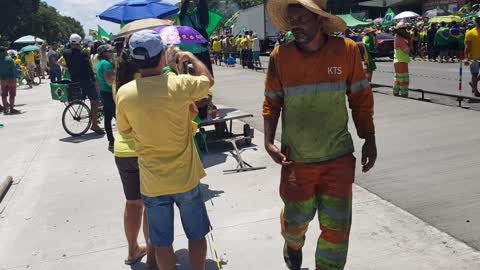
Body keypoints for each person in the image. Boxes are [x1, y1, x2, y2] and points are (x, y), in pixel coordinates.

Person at [264, 1, 377, 270]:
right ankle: (292, 243)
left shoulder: (346, 51)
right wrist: (268, 141)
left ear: (319, 20)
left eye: (302, 19)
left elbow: (360, 97)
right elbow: (272, 100)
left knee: (337, 231)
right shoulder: (280, 56)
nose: (295, 26)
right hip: (297, 161)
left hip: (337, 159)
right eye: (292, 20)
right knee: (295, 224)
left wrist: (369, 137)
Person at [116, 30, 214, 270]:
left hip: (153, 182)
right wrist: (190, 57)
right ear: (161, 56)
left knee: (161, 244)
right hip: (185, 179)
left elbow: (126, 131)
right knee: (197, 235)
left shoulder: (125, 94)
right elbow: (208, 81)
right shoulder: (179, 84)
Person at [113, 40, 156, 268]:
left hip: (122, 150)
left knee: (132, 203)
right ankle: (151, 253)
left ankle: (132, 251)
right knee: (150, 203)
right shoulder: (146, 83)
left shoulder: (118, 84)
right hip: (144, 149)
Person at [59, 34, 104, 134]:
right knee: (95, 100)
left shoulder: (65, 53)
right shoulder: (84, 53)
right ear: (80, 42)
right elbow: (88, 68)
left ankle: (93, 121)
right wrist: (94, 80)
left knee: (86, 97)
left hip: (74, 80)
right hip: (86, 80)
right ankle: (95, 125)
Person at [178, 0, 214, 75]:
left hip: (197, 50)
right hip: (193, 51)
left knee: (205, 76)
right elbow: (183, 11)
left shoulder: (198, 13)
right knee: (196, 77)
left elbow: (203, 6)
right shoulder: (182, 16)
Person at [96, 44, 116, 150]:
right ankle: (126, 139)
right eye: (110, 51)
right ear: (104, 53)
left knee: (108, 117)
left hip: (103, 93)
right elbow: (109, 81)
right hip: (109, 93)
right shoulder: (107, 64)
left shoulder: (100, 64)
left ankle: (111, 141)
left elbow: (98, 81)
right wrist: (116, 77)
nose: (112, 53)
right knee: (118, 116)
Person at [0, 47, 20, 114]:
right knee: (12, 94)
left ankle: (5, 109)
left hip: (2, 79)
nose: (7, 52)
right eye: (6, 51)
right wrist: (18, 77)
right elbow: (14, 69)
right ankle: (11, 109)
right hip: (11, 78)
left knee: (3, 94)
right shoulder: (9, 59)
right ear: (4, 51)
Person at [393, 22, 411, 97]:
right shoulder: (400, 39)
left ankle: (396, 92)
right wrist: (410, 41)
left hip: (399, 61)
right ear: (399, 31)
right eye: (403, 29)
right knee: (404, 79)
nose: (405, 31)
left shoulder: (398, 37)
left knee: (398, 78)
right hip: (401, 61)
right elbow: (407, 51)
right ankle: (404, 94)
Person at [464, 17, 480, 97]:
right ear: (476, 22)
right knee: (475, 74)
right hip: (473, 57)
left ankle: (473, 84)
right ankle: (476, 90)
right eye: (478, 22)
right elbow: (467, 47)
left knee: (475, 76)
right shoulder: (470, 33)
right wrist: (466, 58)